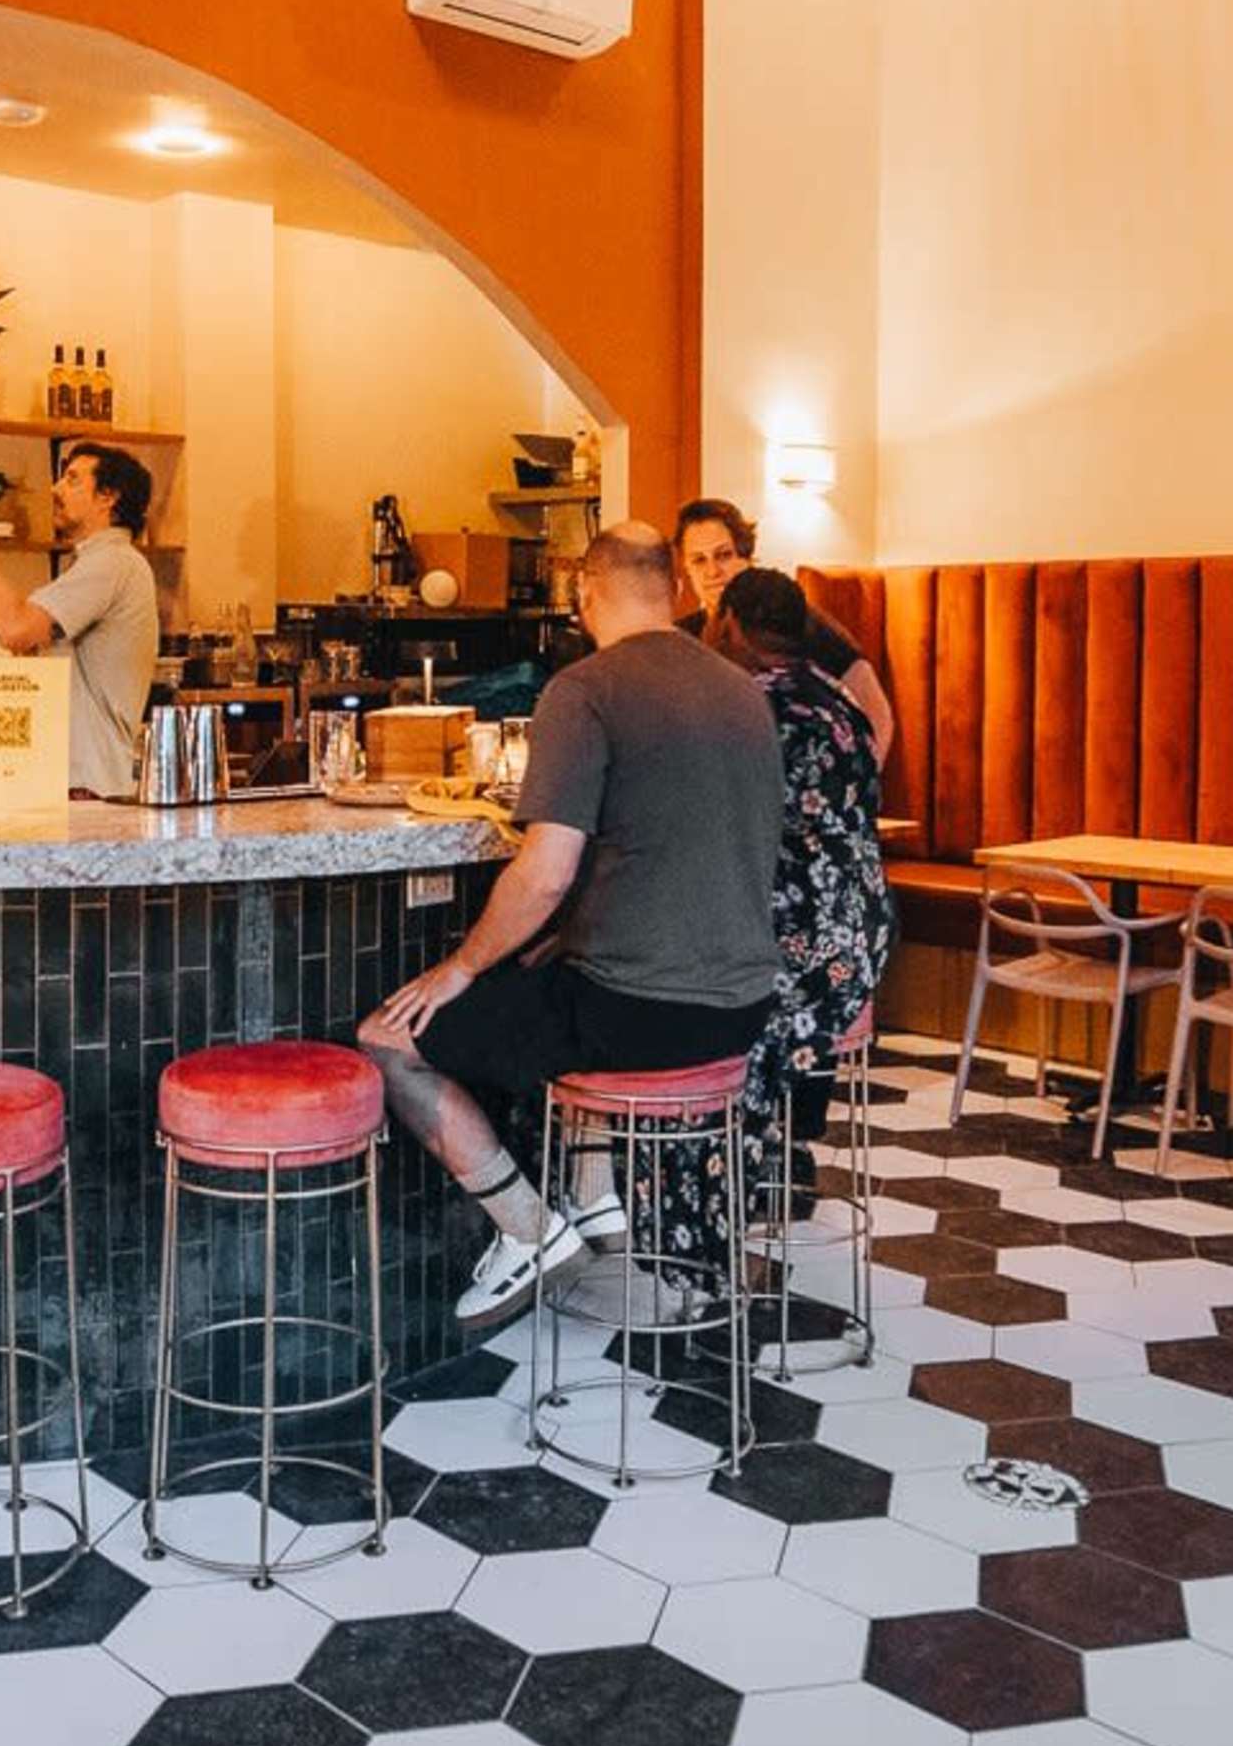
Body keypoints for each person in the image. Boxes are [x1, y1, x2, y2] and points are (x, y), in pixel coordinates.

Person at [362, 525, 786, 1321]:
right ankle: (595, 1206)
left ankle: (528, 1232)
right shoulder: (742, 691)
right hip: (745, 1007)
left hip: (642, 1012)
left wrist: (458, 968)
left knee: (389, 1041)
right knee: (556, 969)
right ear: (676, 590)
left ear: (584, 593)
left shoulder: (584, 689)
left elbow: (546, 873)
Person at [707, 567, 894, 1182]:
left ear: (730, 625)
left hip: (799, 944)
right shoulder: (838, 700)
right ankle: (786, 1146)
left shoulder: (746, 706)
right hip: (863, 934)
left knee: (687, 971)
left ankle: (721, 1158)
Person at [0, 443, 161, 796]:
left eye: (72, 479)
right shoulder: (97, 564)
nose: (55, 488)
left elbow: (15, 628)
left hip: (90, 787)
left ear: (107, 497)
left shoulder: (112, 562)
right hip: (82, 785)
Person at [673, 498, 898, 762]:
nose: (712, 571)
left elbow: (877, 714)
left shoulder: (797, 621)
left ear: (746, 556)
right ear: (686, 570)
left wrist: (857, 779)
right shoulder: (679, 638)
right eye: (699, 560)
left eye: (723, 555)